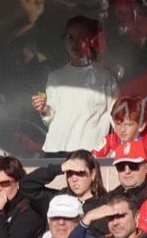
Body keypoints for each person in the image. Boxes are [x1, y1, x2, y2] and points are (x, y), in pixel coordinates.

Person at [34, 17, 119, 154]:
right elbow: (51, 119)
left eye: (82, 37)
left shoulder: (105, 77)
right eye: (70, 37)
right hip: (56, 151)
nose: (75, 43)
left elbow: (116, 117)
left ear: (91, 41)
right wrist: (44, 109)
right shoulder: (55, 77)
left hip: (89, 152)